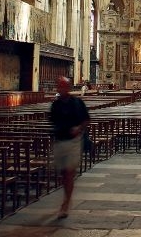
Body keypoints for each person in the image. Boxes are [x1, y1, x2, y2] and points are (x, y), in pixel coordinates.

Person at [50, 76, 91, 218]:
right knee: (63, 173)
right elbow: (52, 121)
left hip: (74, 142)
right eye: (59, 86)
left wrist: (78, 128)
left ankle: (66, 203)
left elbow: (86, 120)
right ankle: (66, 198)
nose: (61, 89)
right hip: (60, 141)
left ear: (68, 87)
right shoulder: (55, 105)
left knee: (69, 172)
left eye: (63, 86)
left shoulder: (77, 103)